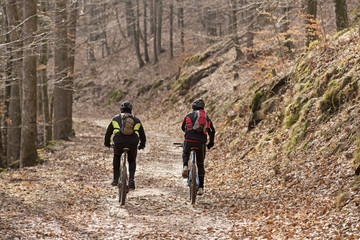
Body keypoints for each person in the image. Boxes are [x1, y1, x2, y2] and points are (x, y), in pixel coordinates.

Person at [104, 101, 146, 190]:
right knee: (131, 160)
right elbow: (142, 135)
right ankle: (131, 179)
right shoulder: (136, 120)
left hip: (119, 142)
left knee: (116, 156)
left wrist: (107, 143)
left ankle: (115, 179)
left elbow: (108, 133)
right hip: (132, 143)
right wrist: (142, 145)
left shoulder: (115, 119)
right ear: (131, 110)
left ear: (121, 109)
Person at [181, 99, 215, 195]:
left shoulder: (188, 116)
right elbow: (212, 131)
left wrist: (189, 133)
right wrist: (210, 143)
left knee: (185, 152)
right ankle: (201, 188)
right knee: (200, 164)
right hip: (201, 143)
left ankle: (185, 166)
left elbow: (182, 127)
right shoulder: (206, 118)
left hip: (189, 141)